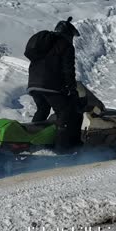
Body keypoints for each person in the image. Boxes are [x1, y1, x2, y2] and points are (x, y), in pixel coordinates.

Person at [24, 17, 82, 152]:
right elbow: (68, 69)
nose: (72, 39)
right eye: (72, 36)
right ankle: (63, 149)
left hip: (33, 84)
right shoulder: (65, 45)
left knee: (42, 110)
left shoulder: (44, 43)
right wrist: (72, 89)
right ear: (68, 33)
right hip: (50, 85)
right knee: (65, 113)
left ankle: (31, 143)